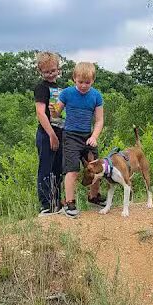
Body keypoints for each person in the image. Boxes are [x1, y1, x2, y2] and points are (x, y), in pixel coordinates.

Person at [55, 61, 106, 218]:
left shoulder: (96, 96)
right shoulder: (67, 93)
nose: (84, 85)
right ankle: (69, 202)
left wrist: (94, 136)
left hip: (88, 136)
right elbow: (56, 114)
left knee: (96, 168)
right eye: (80, 82)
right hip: (70, 136)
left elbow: (99, 120)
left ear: (93, 81)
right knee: (72, 170)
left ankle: (94, 196)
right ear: (74, 79)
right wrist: (54, 110)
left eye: (87, 82)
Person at [33, 51, 65, 216]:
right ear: (40, 71)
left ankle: (56, 202)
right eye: (46, 72)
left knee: (58, 169)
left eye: (53, 70)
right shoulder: (41, 88)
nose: (50, 74)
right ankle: (46, 204)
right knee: (45, 169)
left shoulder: (62, 88)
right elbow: (40, 112)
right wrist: (51, 134)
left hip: (61, 132)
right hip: (47, 133)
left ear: (58, 69)